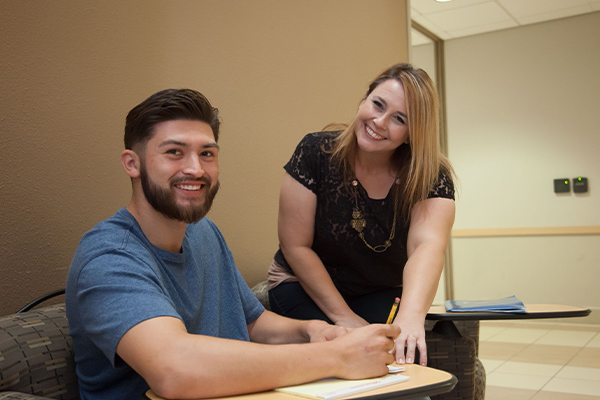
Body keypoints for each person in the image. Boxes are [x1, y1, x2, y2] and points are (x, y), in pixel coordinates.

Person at [65, 88, 401, 400]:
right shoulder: (109, 256)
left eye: (207, 153)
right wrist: (335, 357)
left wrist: (311, 331)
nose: (195, 168)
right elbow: (175, 369)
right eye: (174, 152)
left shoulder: (203, 233)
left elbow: (253, 323)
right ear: (132, 164)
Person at [267, 63, 456, 367]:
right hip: (303, 286)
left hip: (379, 290)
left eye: (399, 119)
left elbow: (427, 246)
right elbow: (295, 246)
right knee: (344, 355)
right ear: (364, 98)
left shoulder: (430, 174)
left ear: (411, 133)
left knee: (401, 358)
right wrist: (347, 320)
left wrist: (411, 316)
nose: (380, 122)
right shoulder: (315, 152)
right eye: (377, 104)